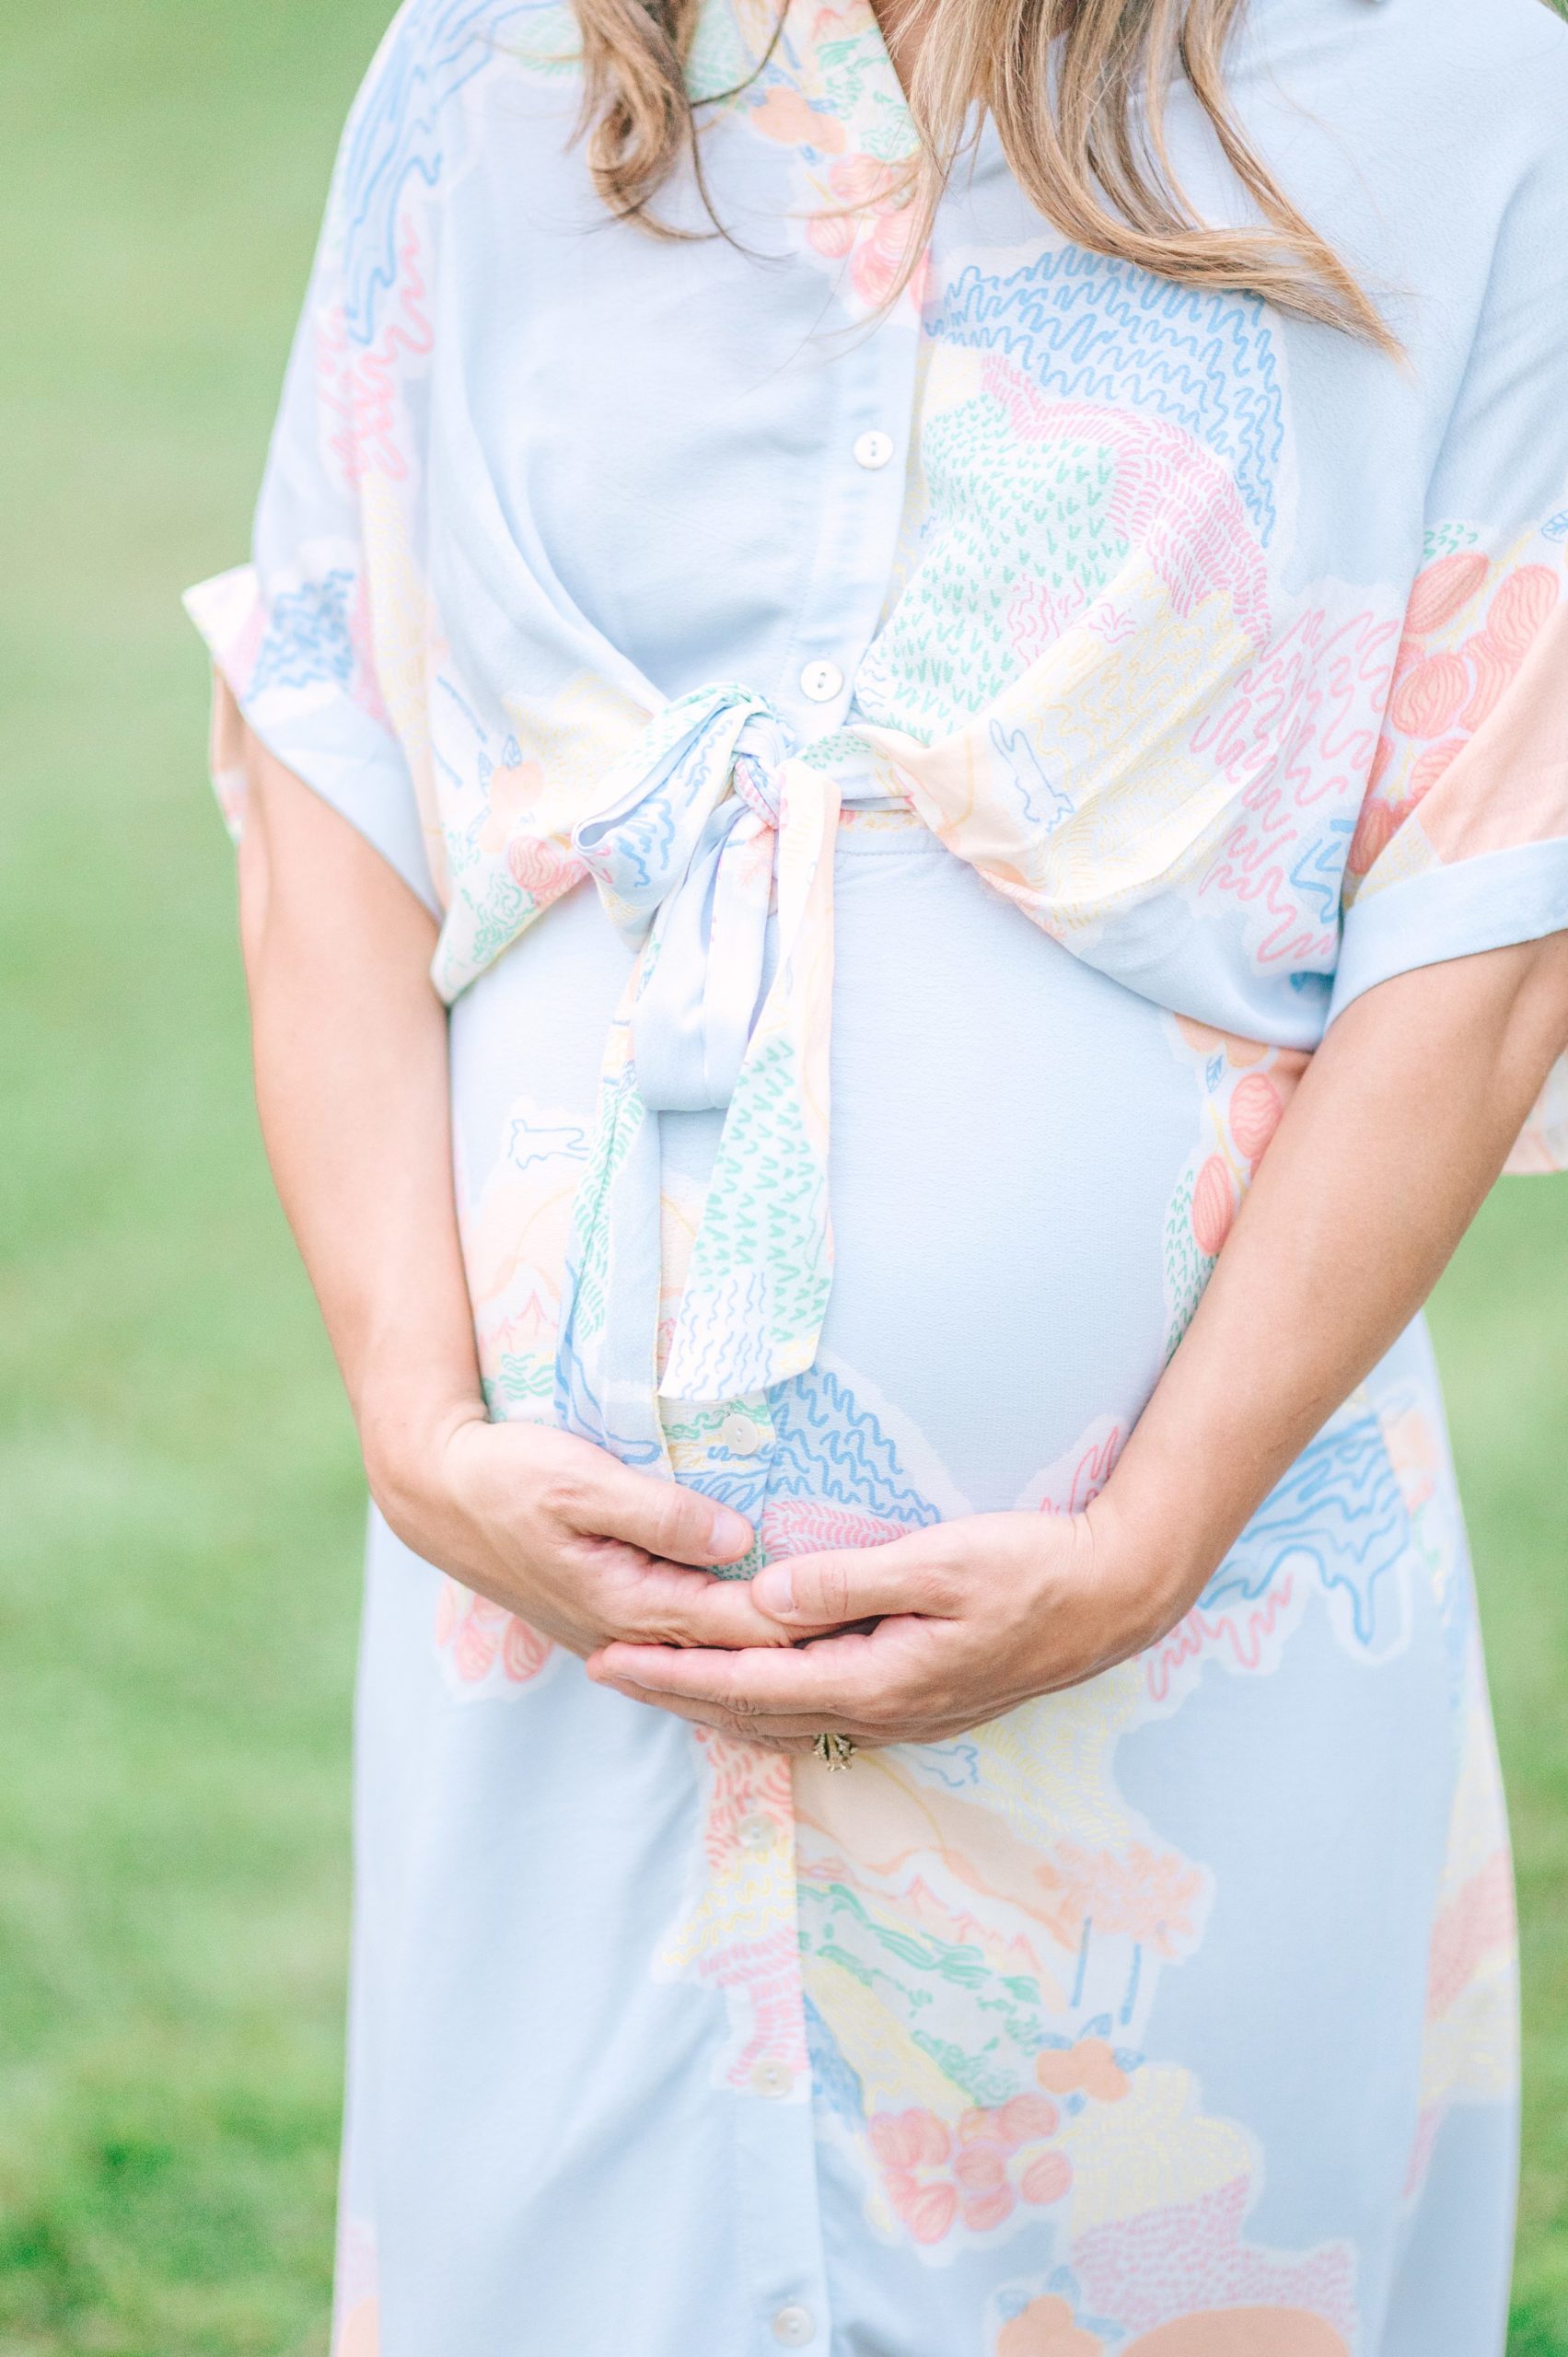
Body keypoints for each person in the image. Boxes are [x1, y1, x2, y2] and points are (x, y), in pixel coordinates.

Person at [186, 0, 1568, 2344]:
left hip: (1190, 1670)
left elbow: (1496, 891)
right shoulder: (491, 65)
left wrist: (1145, 1543)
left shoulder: (1456, 78)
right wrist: (421, 1428)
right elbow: (334, 741)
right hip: (563, 1664)